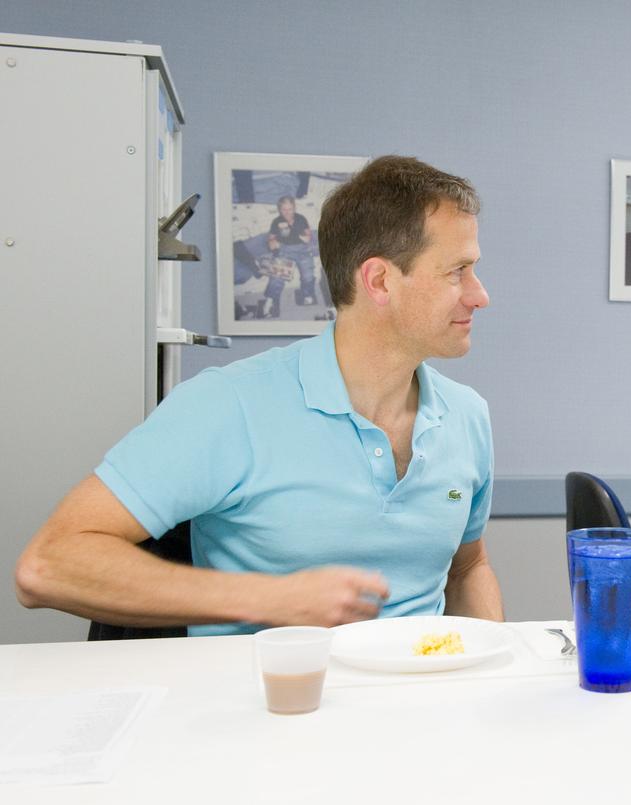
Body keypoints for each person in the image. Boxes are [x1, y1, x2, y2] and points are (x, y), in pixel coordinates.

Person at [16, 155, 503, 634]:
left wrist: (496, 672)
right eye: (457, 271)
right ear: (379, 281)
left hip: (421, 705)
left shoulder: (467, 416)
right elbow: (48, 565)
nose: (479, 295)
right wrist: (270, 598)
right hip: (274, 704)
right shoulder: (227, 406)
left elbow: (467, 568)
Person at [267, 195, 320, 307]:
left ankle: (307, 294)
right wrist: (273, 242)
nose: (287, 212)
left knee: (308, 274)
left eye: (290, 209)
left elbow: (308, 237)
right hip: (284, 250)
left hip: (302, 249)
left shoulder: (301, 219)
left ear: (294, 208)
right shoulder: (276, 222)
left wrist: (298, 233)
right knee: (277, 275)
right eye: (284, 209)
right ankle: (271, 299)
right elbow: (271, 239)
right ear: (279, 210)